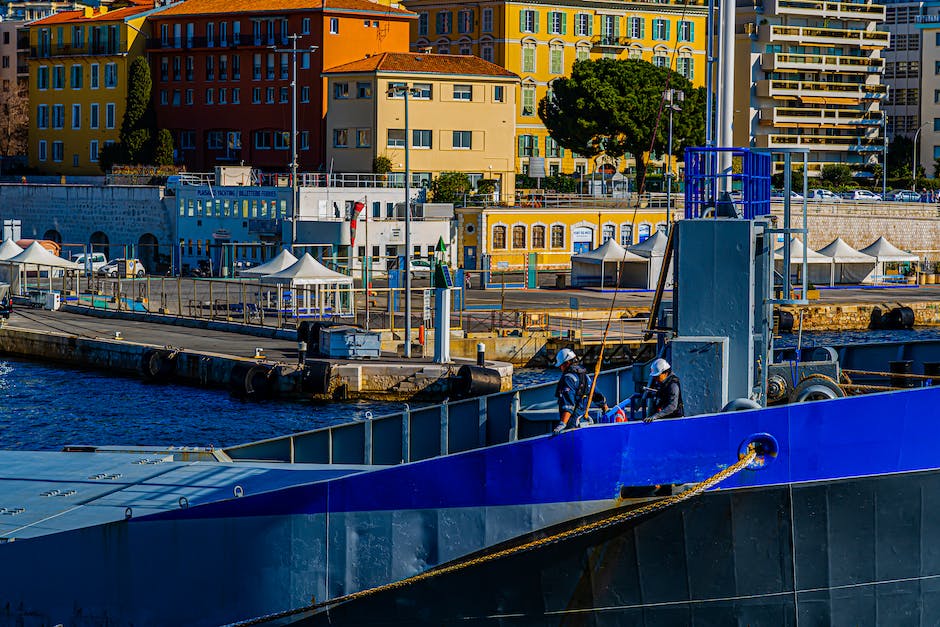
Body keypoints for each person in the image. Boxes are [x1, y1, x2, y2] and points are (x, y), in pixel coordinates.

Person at [553, 348, 608, 435]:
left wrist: (563, 423)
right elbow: (596, 394)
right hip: (583, 420)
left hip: (571, 423)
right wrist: (605, 407)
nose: (560, 368)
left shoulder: (568, 379)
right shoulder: (585, 376)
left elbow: (568, 404)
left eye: (561, 365)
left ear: (567, 363)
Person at [644, 358, 684, 423]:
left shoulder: (673, 384)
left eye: (657, 376)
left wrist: (656, 416)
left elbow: (672, 406)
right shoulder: (662, 383)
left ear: (665, 373)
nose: (655, 378)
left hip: (674, 421)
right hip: (665, 419)